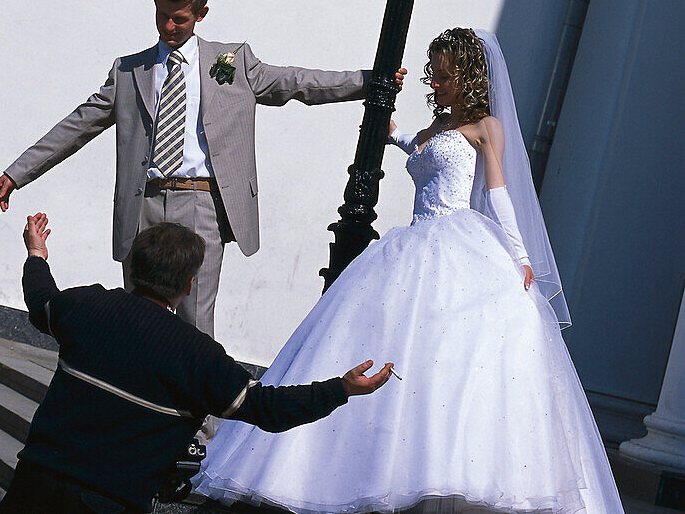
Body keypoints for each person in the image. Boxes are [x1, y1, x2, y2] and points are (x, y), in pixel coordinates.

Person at [194, 28, 626, 514]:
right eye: (433, 75)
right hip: (412, 244)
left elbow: (499, 191)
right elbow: (408, 144)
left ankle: (437, 472)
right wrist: (384, 112)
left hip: (459, 243)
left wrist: (520, 256)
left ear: (466, 77)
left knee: (448, 355)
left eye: (444, 76)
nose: (435, 84)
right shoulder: (433, 132)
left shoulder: (485, 127)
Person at [0, 0, 404, 335]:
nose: (168, 27)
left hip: (202, 203)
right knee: (137, 320)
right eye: (161, 15)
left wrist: (370, 81)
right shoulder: (128, 70)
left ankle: (200, 422)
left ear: (201, 14)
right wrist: (16, 174)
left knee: (194, 324)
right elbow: (76, 125)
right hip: (144, 205)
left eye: (179, 19)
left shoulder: (232, 62)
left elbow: (296, 82)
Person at [0, 213, 393, 514]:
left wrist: (36, 254)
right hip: (112, 501)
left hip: (34, 482)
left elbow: (40, 297)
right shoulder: (198, 355)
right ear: (188, 286)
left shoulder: (86, 306)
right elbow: (269, 409)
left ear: (134, 267)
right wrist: (341, 389)